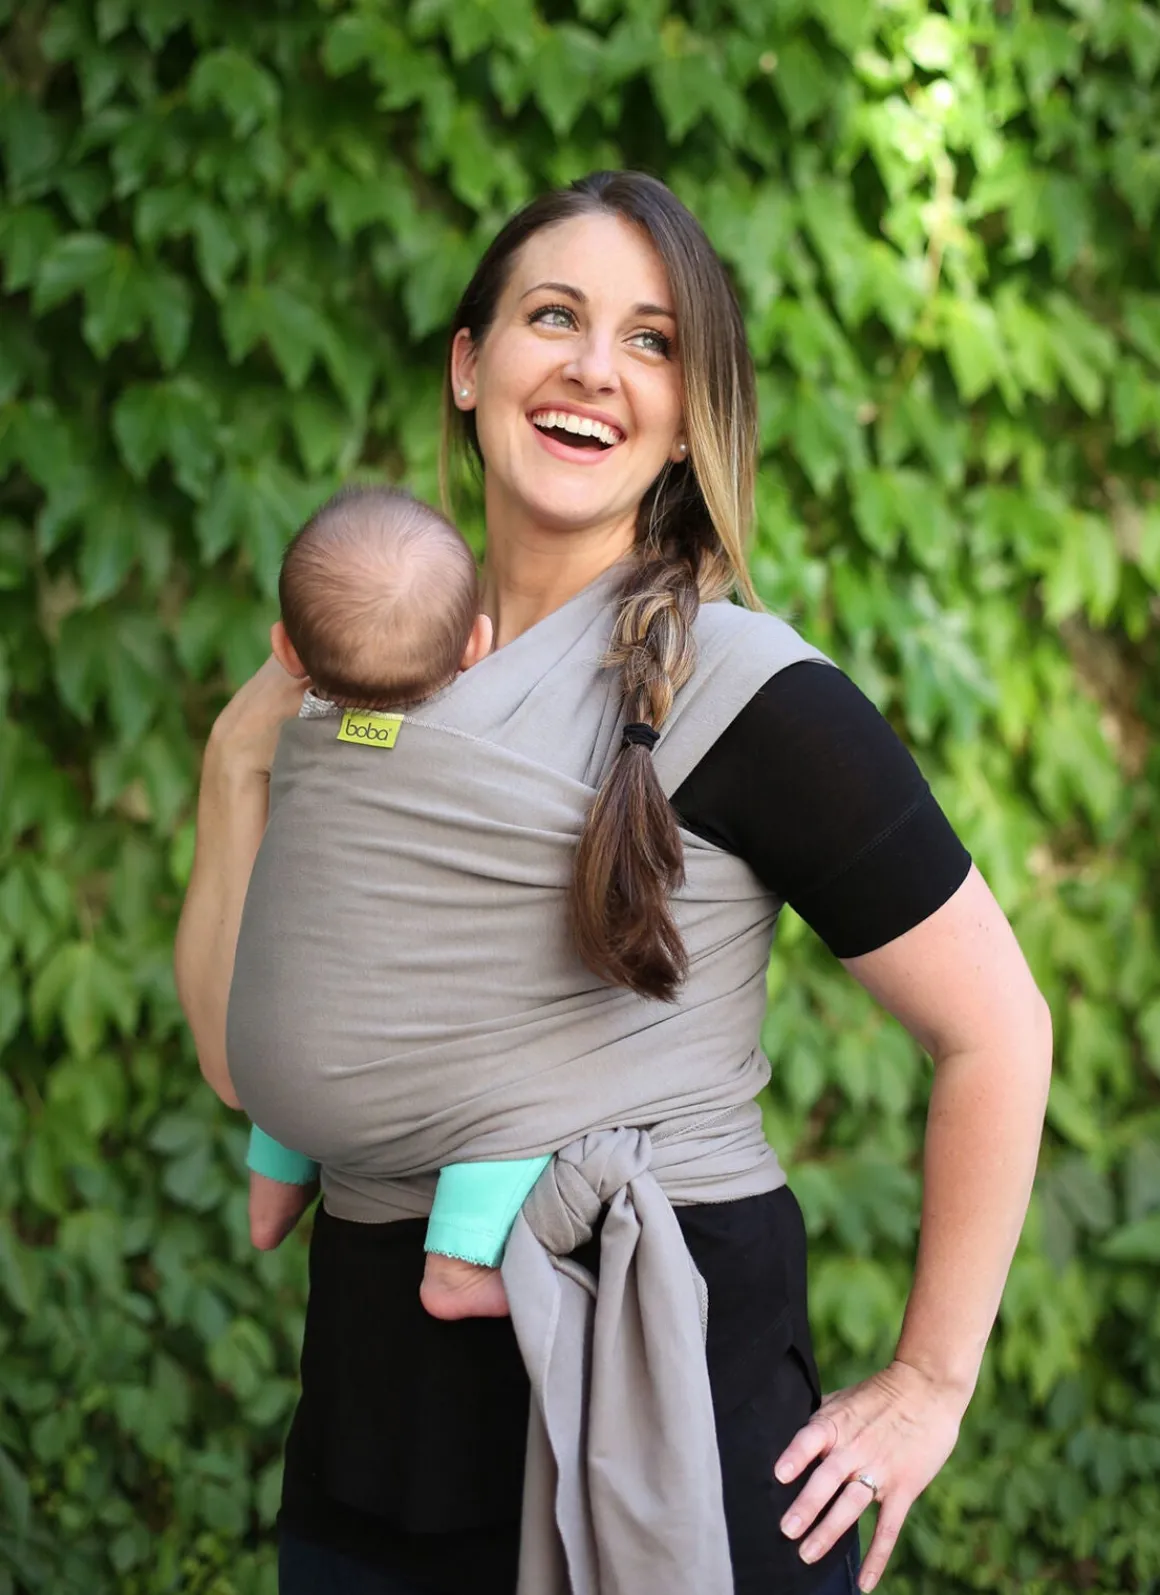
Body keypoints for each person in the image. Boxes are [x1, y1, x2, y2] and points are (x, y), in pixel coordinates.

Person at [175, 171, 1052, 1595]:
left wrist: (928, 1381)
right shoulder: (365, 673)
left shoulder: (754, 695)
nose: (595, 366)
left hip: (673, 1451)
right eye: (554, 317)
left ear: (686, 411)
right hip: (370, 1455)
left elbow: (996, 1027)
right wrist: (236, 761)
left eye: (651, 340)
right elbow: (243, 1057)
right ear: (469, 365)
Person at [238, 482, 549, 1321]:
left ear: (287, 651)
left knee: (310, 998)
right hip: (397, 1094)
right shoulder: (479, 755)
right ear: (478, 643)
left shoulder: (297, 745)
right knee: (537, 1085)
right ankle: (456, 1266)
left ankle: (270, 1195)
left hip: (272, 1078)